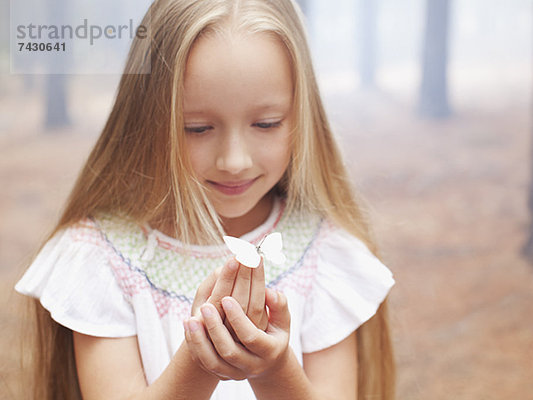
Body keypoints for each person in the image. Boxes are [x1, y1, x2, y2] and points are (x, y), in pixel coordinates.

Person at [15, 0, 395, 399]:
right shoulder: (101, 258)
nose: (234, 160)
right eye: (197, 128)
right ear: (147, 121)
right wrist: (201, 361)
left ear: (302, 117)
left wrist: (274, 371)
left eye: (266, 124)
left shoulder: (323, 255)